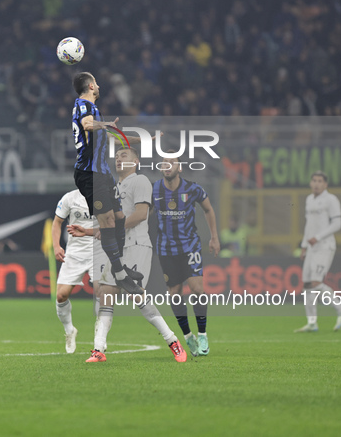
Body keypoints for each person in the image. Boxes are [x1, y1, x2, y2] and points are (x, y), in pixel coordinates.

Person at [68, 147, 187, 363]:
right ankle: (98, 349)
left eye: (124, 156)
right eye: (117, 156)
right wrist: (88, 231)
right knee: (105, 293)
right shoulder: (114, 186)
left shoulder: (139, 181)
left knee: (137, 295)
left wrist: (111, 230)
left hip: (137, 245)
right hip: (117, 248)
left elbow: (141, 214)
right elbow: (108, 222)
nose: (119, 159)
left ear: (136, 161)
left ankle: (172, 340)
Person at [71, 71, 147, 296]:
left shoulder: (95, 111)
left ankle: (120, 267)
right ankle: (120, 275)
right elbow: (87, 125)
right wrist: (103, 124)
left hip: (103, 174)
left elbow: (114, 135)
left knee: (120, 218)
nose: (99, 84)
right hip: (89, 173)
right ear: (91, 85)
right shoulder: (84, 106)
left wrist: (144, 140)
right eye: (96, 81)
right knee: (107, 221)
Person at [153, 152, 220, 357]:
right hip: (166, 249)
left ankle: (202, 334)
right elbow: (142, 212)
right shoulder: (154, 189)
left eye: (172, 162)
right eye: (164, 162)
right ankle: (188, 335)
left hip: (189, 246)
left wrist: (214, 237)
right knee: (174, 294)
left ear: (179, 168)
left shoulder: (192, 188)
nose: (167, 165)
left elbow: (208, 209)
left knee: (197, 289)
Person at [295, 171, 341, 333]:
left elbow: (337, 224)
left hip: (325, 245)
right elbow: (308, 225)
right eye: (314, 180)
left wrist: (318, 237)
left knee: (316, 283)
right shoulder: (309, 199)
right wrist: (304, 245)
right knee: (307, 284)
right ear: (310, 183)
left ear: (325, 184)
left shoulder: (331, 200)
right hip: (311, 247)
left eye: (320, 181)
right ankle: (312, 322)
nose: (317, 183)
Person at [52, 188, 106, 354]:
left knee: (102, 292)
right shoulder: (70, 198)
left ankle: (100, 334)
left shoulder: (106, 196)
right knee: (61, 295)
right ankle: (69, 330)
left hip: (99, 250)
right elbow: (57, 222)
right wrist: (56, 246)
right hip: (75, 252)